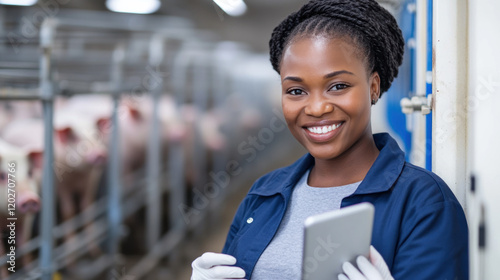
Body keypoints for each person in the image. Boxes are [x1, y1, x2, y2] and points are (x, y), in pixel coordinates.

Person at [191, 0, 469, 279]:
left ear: (373, 87)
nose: (316, 108)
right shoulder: (263, 194)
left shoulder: (423, 203)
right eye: (296, 91)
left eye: (338, 86)